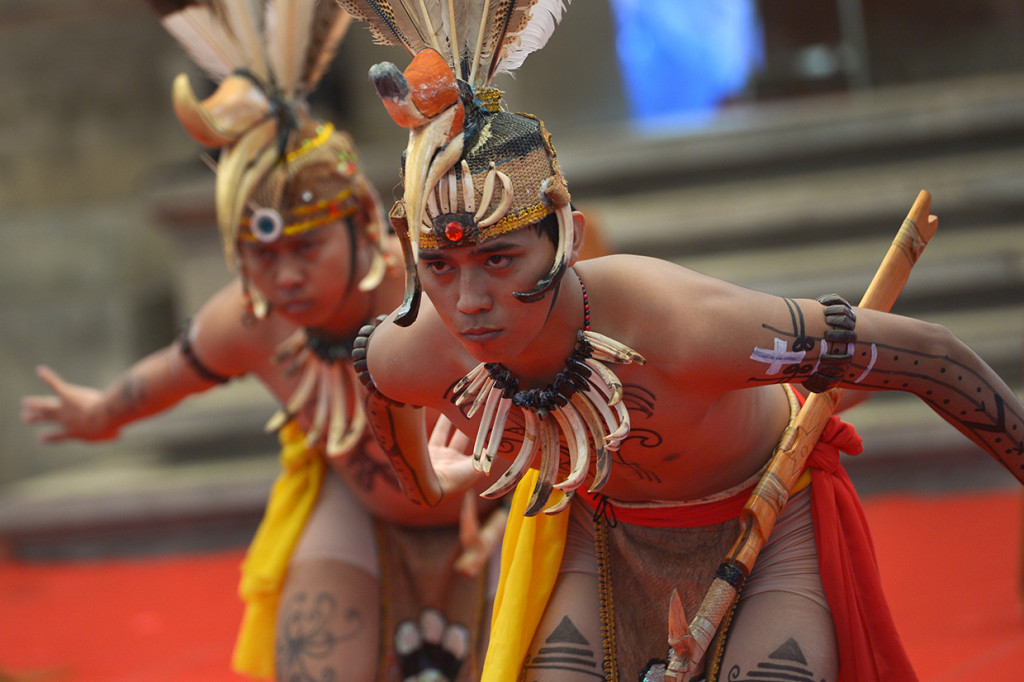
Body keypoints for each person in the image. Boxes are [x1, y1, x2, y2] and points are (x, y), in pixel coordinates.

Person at [335, 2, 1024, 681]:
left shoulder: (679, 328)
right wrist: (431, 481)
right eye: (440, 268)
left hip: (764, 510)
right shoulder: (410, 348)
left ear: (566, 237)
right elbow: (376, 380)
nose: (468, 301)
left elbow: (931, 355)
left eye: (499, 260)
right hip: (599, 529)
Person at [20, 3, 503, 680]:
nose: (285, 277)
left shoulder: (435, 298)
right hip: (358, 513)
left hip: (502, 511)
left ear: (362, 226)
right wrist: (99, 414)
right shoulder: (251, 321)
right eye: (259, 255)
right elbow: (171, 373)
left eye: (305, 248)